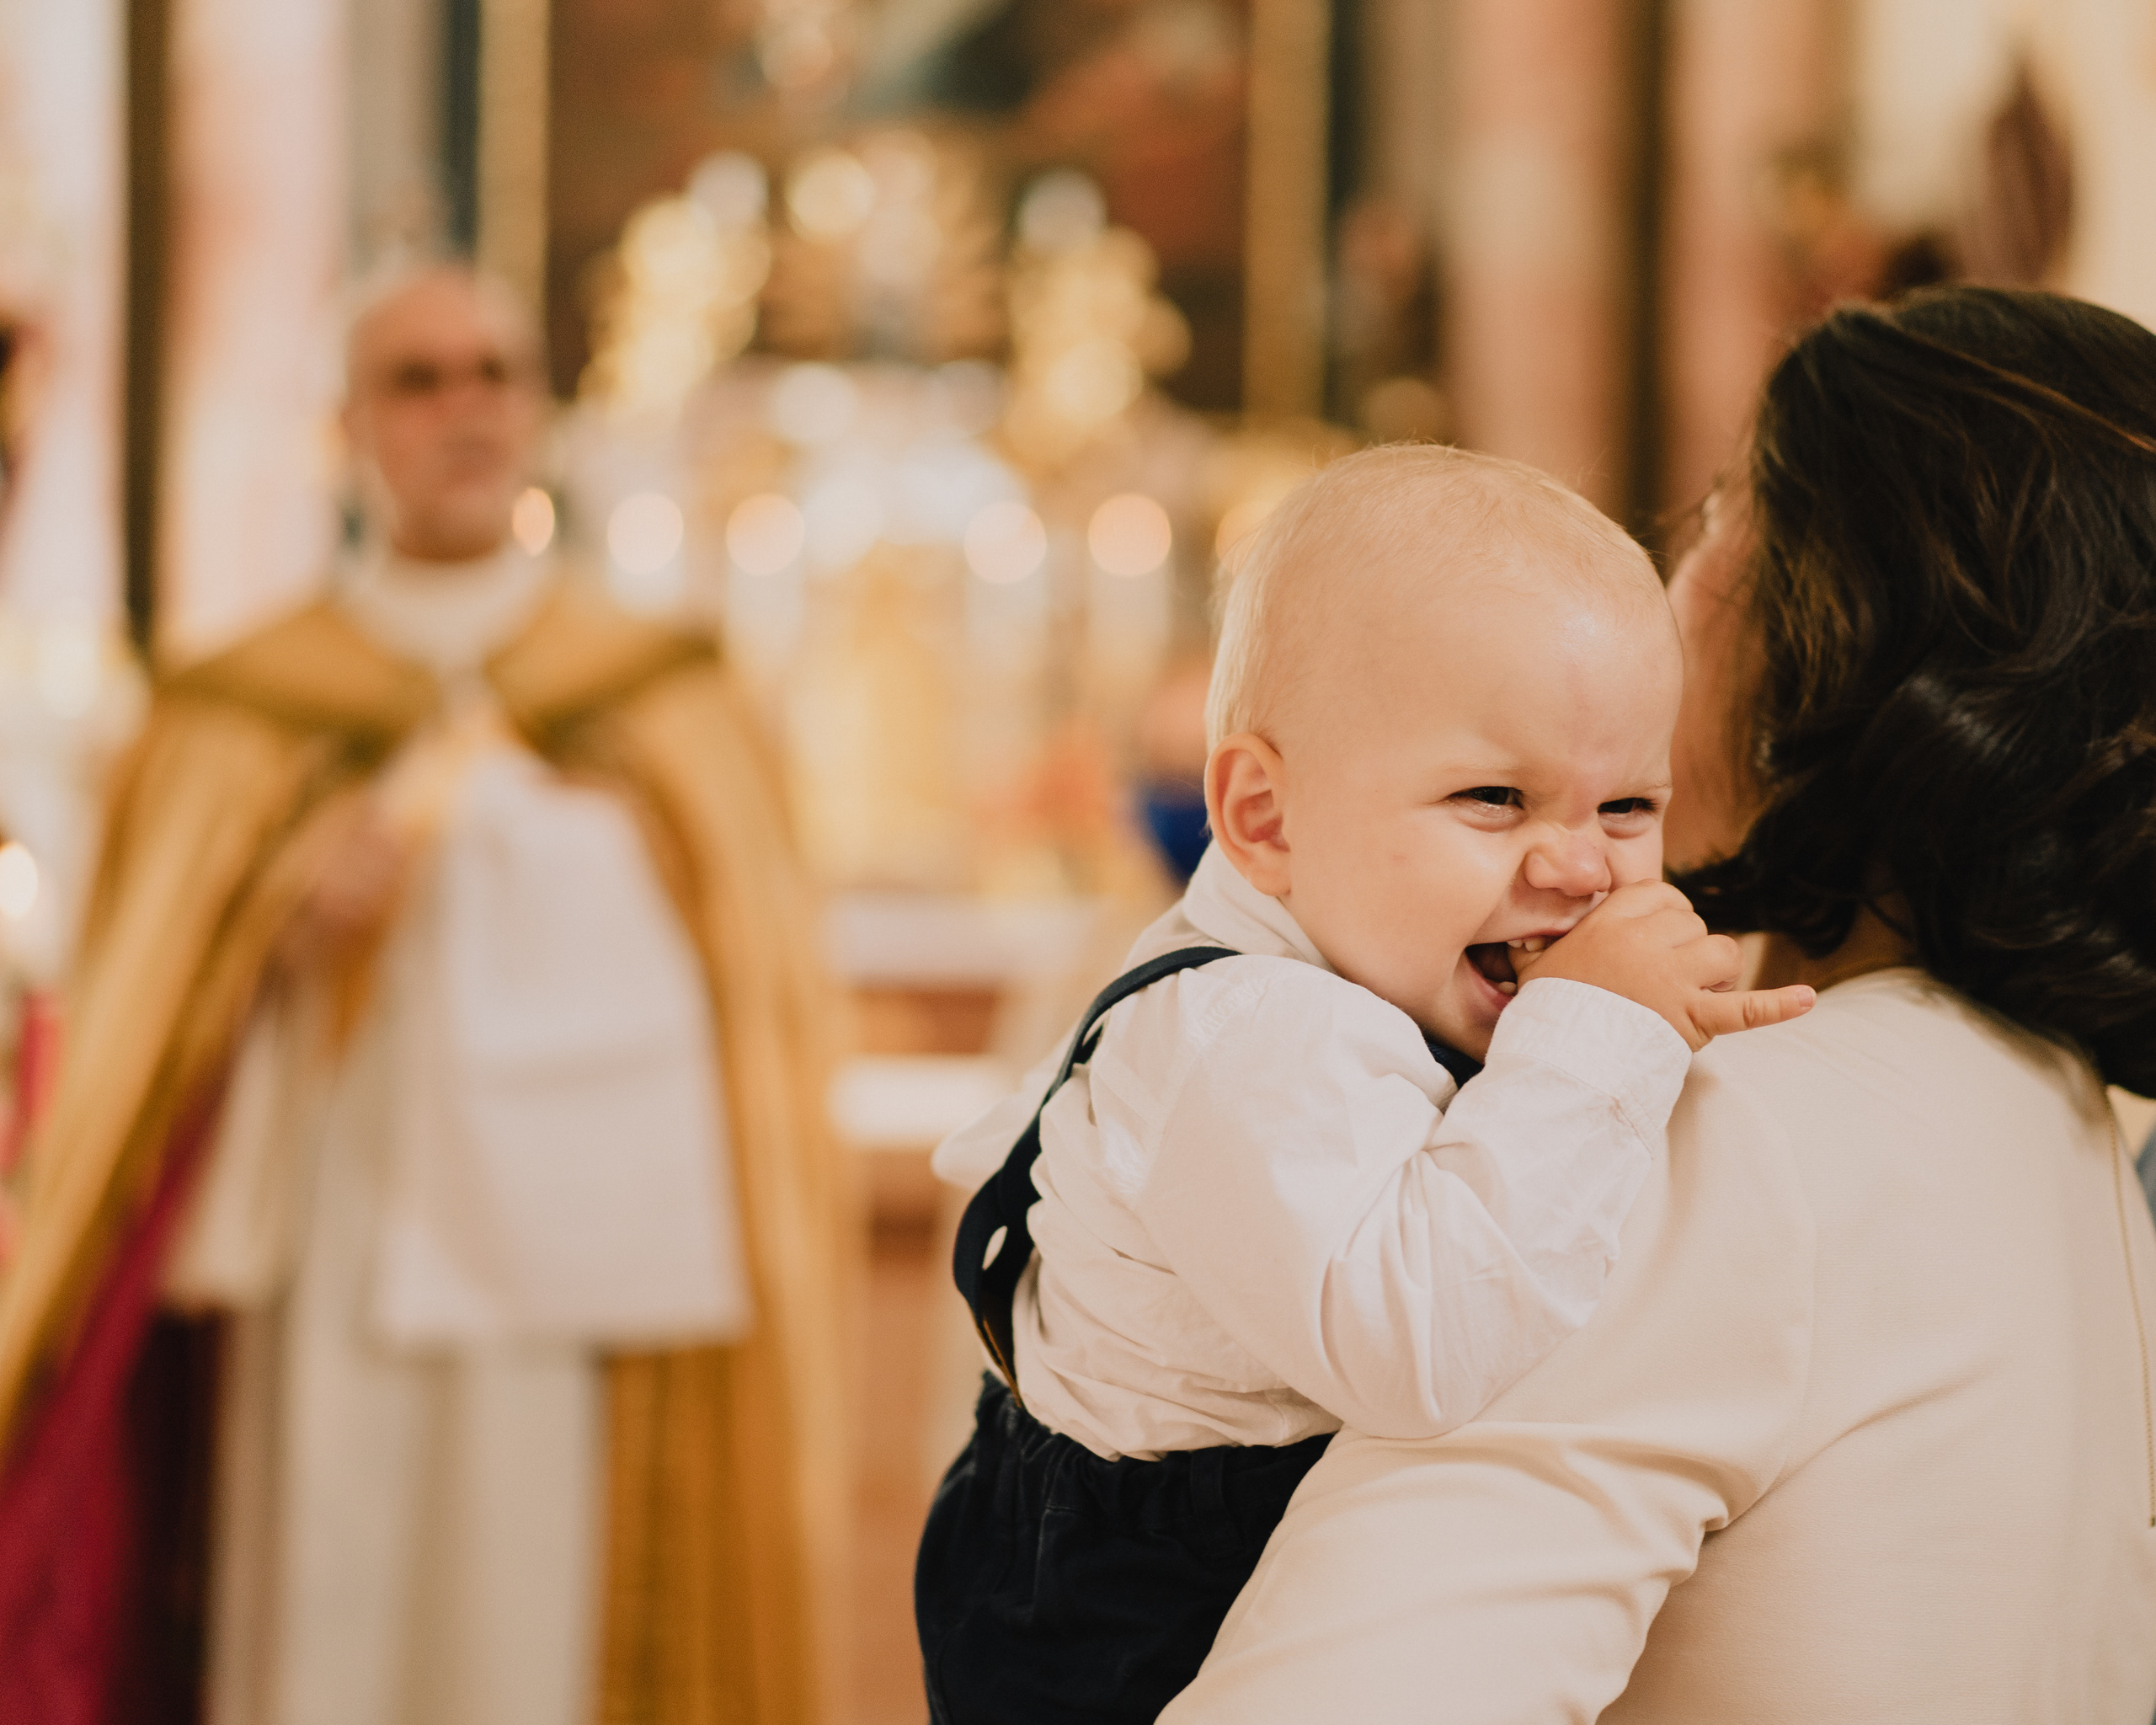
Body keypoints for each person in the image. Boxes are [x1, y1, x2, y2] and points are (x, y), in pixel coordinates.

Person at [1161, 287, 2156, 1722]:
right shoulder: (2051, 1108)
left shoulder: (1719, 1140)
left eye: (1709, 522)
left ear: (1833, 633)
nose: (1665, 581)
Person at [0, 264, 856, 1725]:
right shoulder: (238, 705)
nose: (464, 411)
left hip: (575, 1263)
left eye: (494, 375)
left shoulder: (667, 694)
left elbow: (760, 985)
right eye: (417, 380)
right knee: (330, 1597)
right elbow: (139, 995)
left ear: (538, 410)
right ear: (350, 427)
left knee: (533, 1619)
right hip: (336, 1244)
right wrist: (269, 903)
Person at [917, 446, 1816, 1723]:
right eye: (1494, 798)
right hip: (1129, 1621)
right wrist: (1600, 1035)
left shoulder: (1373, 964)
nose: (1579, 867)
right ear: (1268, 819)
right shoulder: (1244, 1032)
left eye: (1627, 806)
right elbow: (1422, 1343)